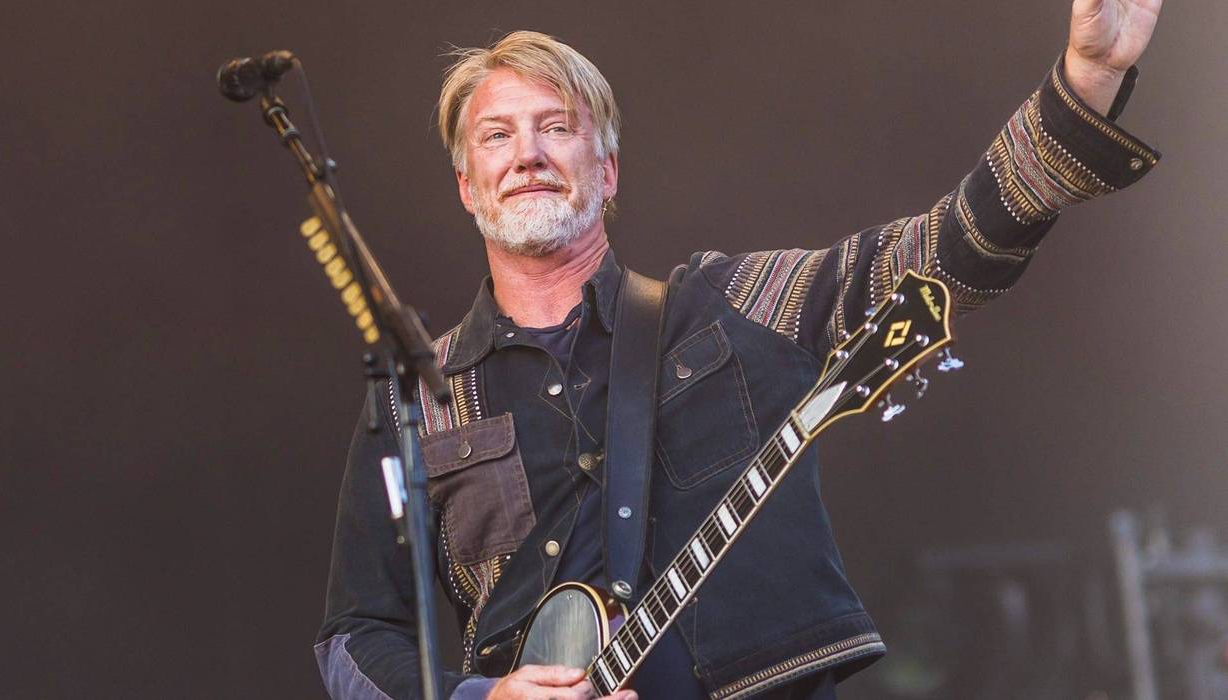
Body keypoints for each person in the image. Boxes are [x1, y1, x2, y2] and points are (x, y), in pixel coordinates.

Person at [316, 2, 1164, 697]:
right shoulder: (415, 398)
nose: (527, 153)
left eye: (556, 127)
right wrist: (482, 698)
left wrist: (1084, 83)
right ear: (467, 183)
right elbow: (355, 635)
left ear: (607, 170)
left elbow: (939, 253)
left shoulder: (730, 307)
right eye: (496, 136)